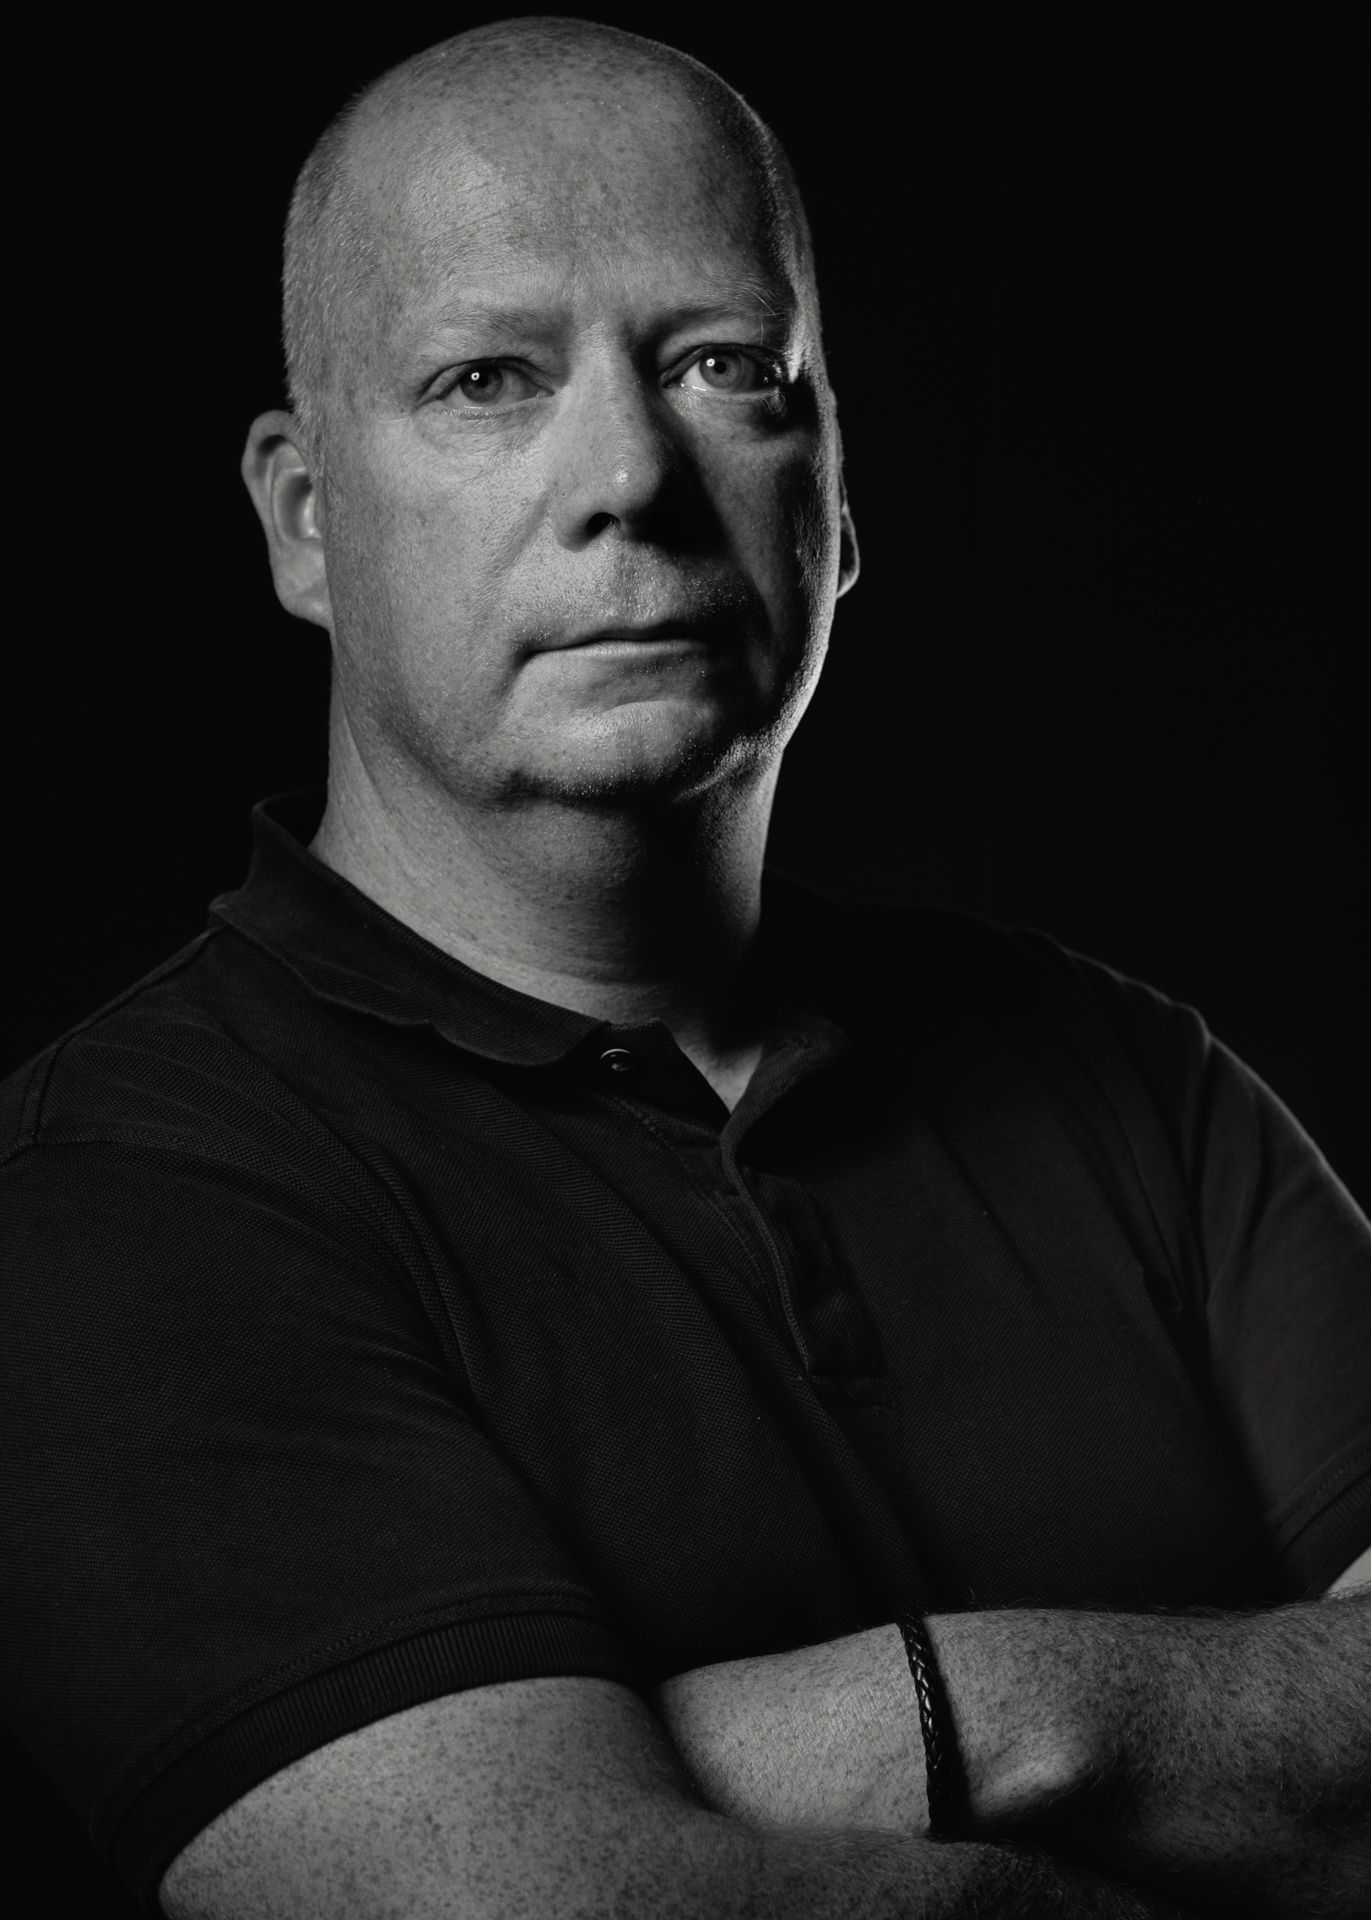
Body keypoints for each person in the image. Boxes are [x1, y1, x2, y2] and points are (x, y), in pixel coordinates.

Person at [3, 16, 1368, 1918]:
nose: (630, 476)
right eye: (487, 381)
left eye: (726, 367)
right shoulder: (115, 1191)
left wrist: (956, 1718)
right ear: (308, 520)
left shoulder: (1130, 1077)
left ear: (837, 497)